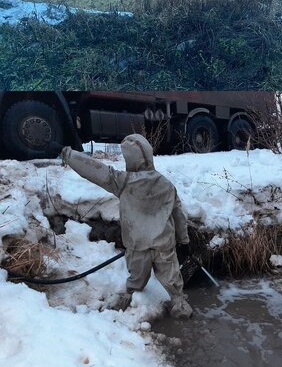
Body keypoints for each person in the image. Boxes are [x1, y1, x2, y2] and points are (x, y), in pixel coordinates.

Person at [61, 133, 193, 318]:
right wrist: (184, 240)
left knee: (136, 279)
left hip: (137, 245)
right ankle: (180, 305)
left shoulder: (123, 182)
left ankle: (126, 301)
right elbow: (178, 214)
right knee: (172, 280)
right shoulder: (166, 184)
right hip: (164, 243)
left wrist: (70, 155)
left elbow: (95, 170)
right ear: (149, 154)